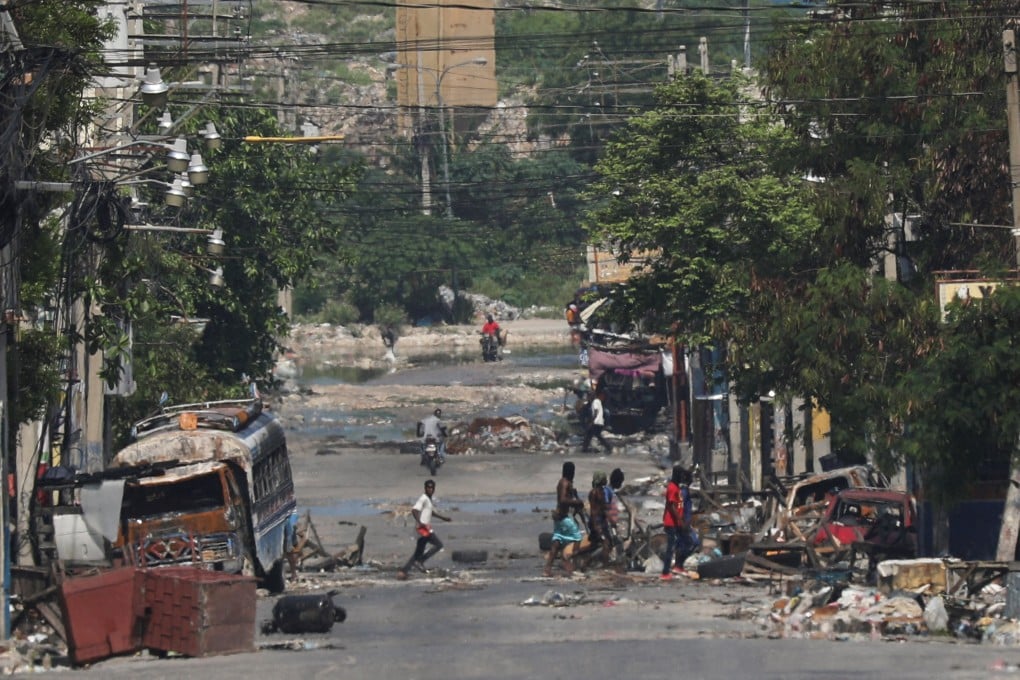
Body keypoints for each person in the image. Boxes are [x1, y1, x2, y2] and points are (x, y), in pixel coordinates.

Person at [397, 479, 451, 580]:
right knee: (439, 545)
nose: (430, 489)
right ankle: (420, 561)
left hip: (424, 528)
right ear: (425, 488)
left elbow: (431, 512)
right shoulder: (423, 498)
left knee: (418, 553)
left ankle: (403, 572)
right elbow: (414, 510)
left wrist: (443, 518)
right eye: (428, 487)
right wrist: (420, 522)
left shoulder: (429, 499)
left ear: (434, 489)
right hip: (423, 529)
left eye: (432, 488)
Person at [544, 461, 586, 577]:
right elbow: (563, 500)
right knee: (577, 538)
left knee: (556, 542)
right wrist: (577, 502)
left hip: (559, 517)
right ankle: (569, 563)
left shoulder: (565, 483)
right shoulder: (564, 483)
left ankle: (547, 569)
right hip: (563, 517)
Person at [660, 465, 685, 580]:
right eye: (681, 475)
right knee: (670, 548)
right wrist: (679, 519)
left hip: (675, 522)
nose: (682, 477)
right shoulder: (672, 488)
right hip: (672, 522)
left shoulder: (676, 487)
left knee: (675, 546)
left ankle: (673, 568)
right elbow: (671, 505)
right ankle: (665, 572)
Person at [588, 470, 611, 566]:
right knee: (605, 543)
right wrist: (596, 526)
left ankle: (592, 562)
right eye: (605, 478)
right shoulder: (594, 493)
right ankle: (604, 565)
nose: (606, 480)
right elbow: (594, 511)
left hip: (602, 521)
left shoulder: (602, 491)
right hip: (597, 522)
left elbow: (603, 506)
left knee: (601, 543)